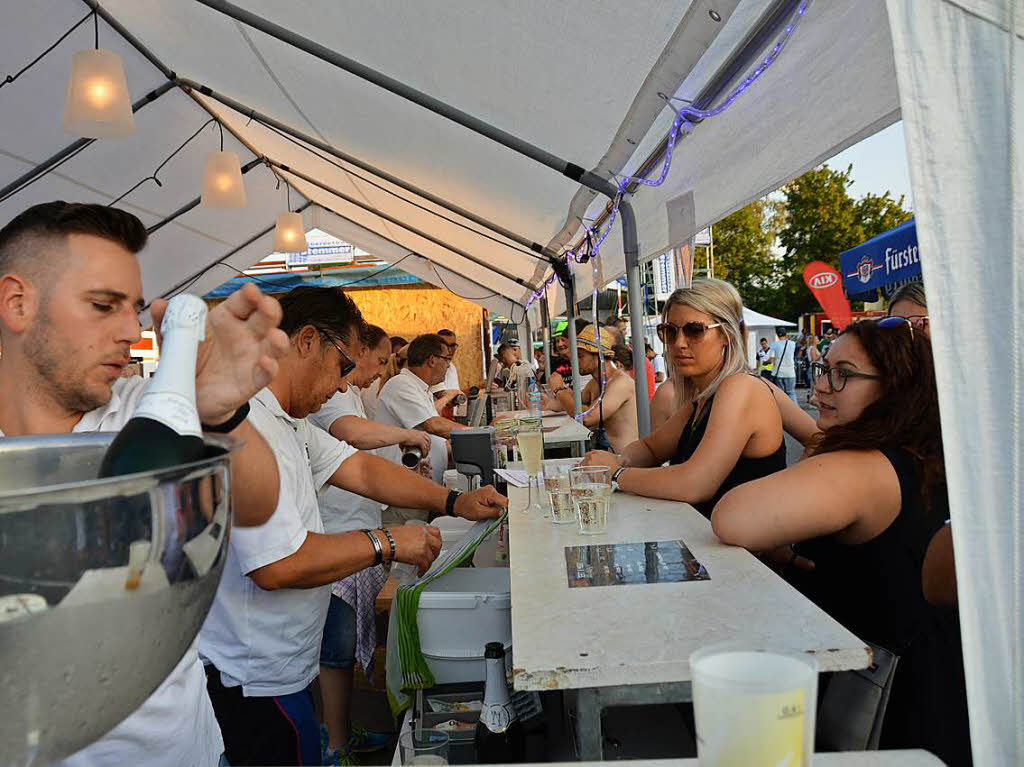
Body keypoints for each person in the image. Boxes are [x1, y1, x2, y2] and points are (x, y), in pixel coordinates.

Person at [0, 201, 290, 767]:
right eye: (103, 306)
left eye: (134, 310)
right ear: (17, 303)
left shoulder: (147, 412)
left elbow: (257, 504)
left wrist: (222, 412)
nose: (132, 334)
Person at [199, 289, 506, 767]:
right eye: (343, 366)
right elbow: (276, 565)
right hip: (254, 677)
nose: (344, 386)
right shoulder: (247, 423)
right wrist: (386, 542)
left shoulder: (288, 421)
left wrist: (454, 501)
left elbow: (362, 470)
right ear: (306, 342)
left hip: (282, 668)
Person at [711, 318, 970, 764]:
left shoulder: (863, 466)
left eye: (843, 374)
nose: (819, 390)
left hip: (882, 710)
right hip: (944, 695)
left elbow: (732, 517)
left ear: (897, 387)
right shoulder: (931, 455)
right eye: (825, 370)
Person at [306, 324, 430, 762]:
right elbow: (354, 438)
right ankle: (335, 745)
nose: (378, 372)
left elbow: (364, 465)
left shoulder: (347, 392)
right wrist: (407, 435)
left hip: (354, 528)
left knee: (338, 646)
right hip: (337, 533)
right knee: (335, 650)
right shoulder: (335, 395)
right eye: (376, 361)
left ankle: (338, 732)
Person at [582, 279, 785, 520]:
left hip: (739, 556)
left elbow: (695, 483)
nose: (679, 343)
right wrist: (618, 459)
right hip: (707, 545)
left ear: (727, 335)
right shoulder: (703, 399)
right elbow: (651, 448)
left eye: (694, 330)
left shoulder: (740, 387)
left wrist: (617, 473)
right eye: (670, 331)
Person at [376, 334, 471, 485]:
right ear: (432, 360)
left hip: (420, 481)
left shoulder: (421, 389)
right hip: (401, 486)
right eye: (447, 359)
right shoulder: (401, 384)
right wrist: (478, 433)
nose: (448, 366)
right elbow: (433, 425)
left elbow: (434, 438)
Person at [545, 325, 638, 453]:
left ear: (598, 355)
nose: (575, 362)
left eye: (581, 356)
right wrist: (545, 402)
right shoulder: (594, 384)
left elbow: (586, 418)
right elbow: (570, 404)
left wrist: (560, 390)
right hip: (607, 458)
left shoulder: (620, 383)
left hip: (626, 462)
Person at [428, 329, 463, 413]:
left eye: (452, 346)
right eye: (445, 346)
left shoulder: (452, 367)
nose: (449, 350)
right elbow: (444, 396)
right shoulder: (432, 368)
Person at [769, 327, 797, 404]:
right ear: (786, 334)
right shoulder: (792, 344)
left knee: (781, 393)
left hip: (779, 373)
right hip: (790, 372)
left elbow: (771, 358)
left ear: (777, 335)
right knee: (791, 392)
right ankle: (795, 410)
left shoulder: (774, 344)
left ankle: (783, 409)